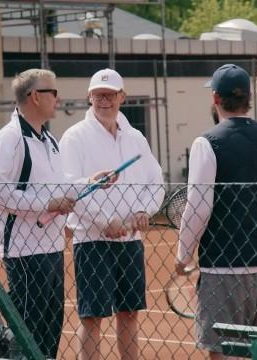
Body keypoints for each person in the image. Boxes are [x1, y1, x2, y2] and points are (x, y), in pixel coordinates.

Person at [0, 69, 114, 359]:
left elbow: (58, 188)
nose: (58, 98)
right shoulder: (10, 139)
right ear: (34, 96)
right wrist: (46, 204)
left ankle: (3, 342)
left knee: (48, 336)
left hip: (52, 250)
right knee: (27, 337)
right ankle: (2, 344)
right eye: (52, 92)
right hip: (24, 254)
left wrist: (88, 182)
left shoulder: (48, 140)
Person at [175, 64, 257, 359]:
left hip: (223, 266)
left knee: (222, 352)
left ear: (216, 99)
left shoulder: (207, 143)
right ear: (249, 99)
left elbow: (198, 207)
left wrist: (183, 254)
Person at [59, 68, 164, 360]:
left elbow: (156, 182)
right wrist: (106, 222)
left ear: (122, 97)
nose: (104, 100)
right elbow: (70, 188)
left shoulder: (136, 138)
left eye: (110, 94)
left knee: (129, 313)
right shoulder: (74, 137)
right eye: (98, 95)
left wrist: (144, 209)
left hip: (130, 241)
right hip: (91, 242)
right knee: (92, 317)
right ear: (89, 97)